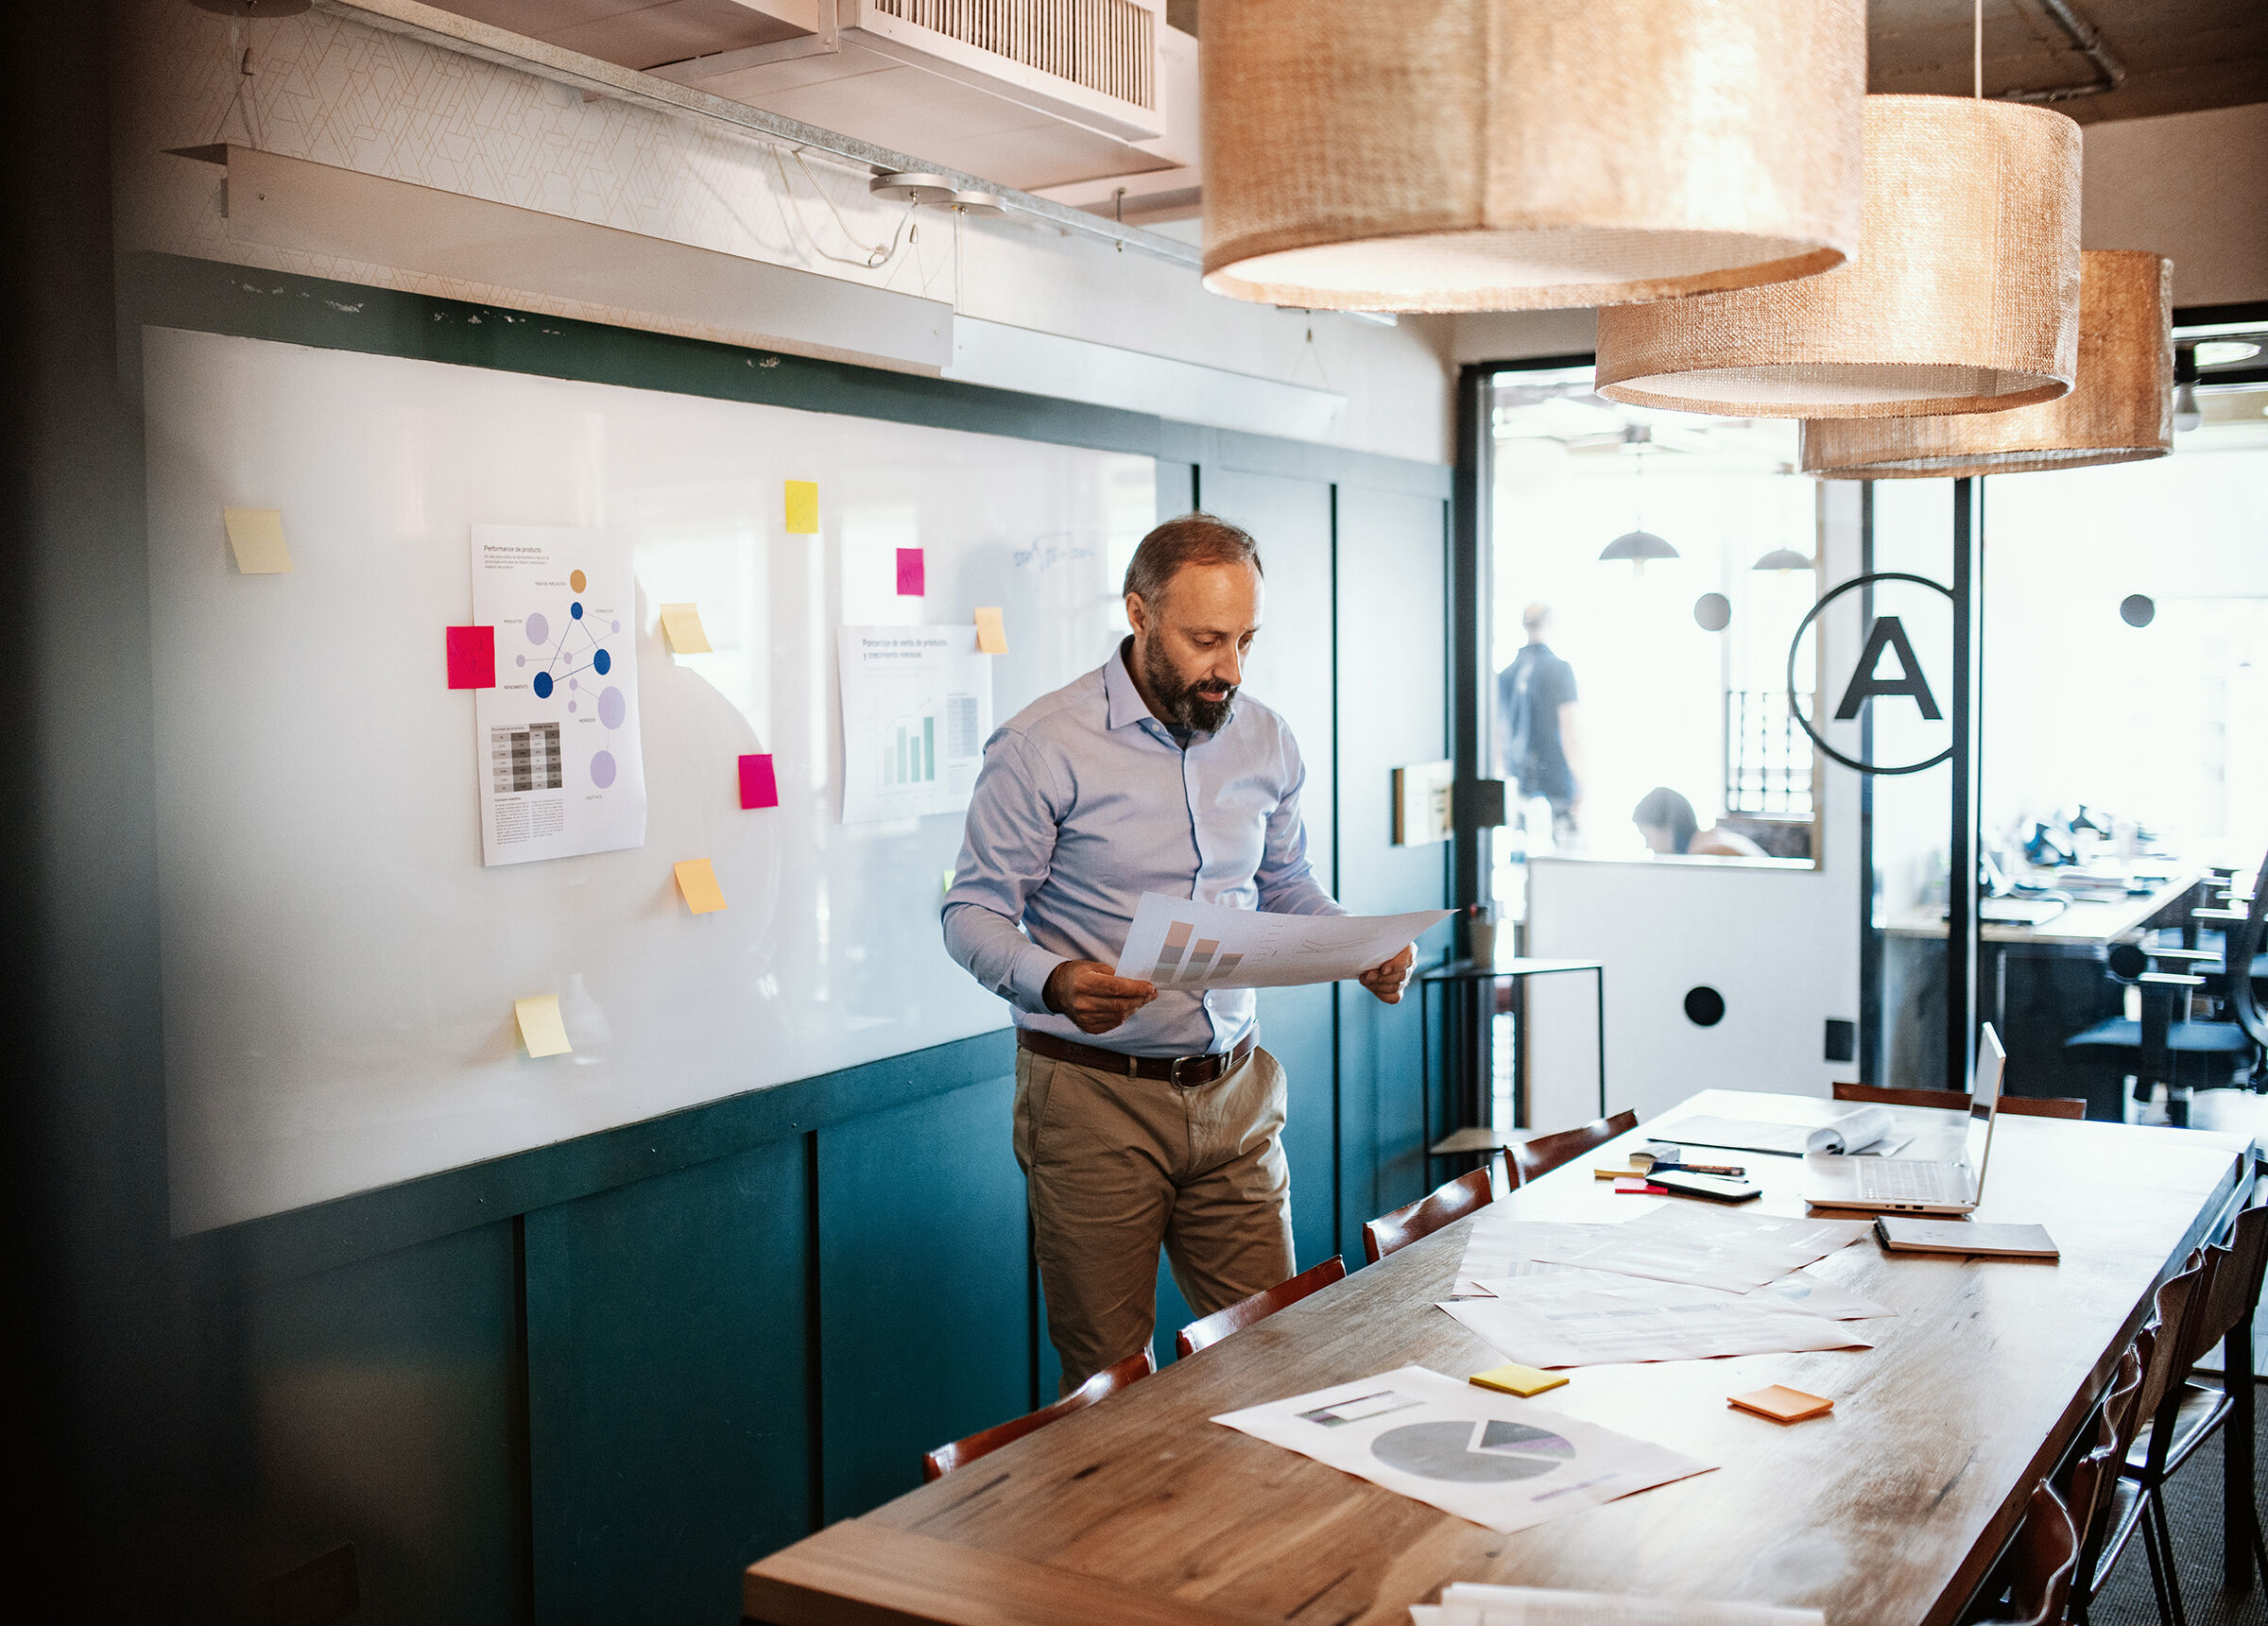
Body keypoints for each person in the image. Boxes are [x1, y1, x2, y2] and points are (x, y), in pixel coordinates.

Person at [942, 513, 1416, 1391]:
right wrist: (1055, 979)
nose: (1230, 668)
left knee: (1273, 1356)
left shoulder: (1266, 739)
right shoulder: (1042, 746)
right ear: (1140, 614)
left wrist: (1359, 946)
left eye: (1245, 640)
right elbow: (971, 910)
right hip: (1093, 1099)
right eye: (1206, 640)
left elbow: (1285, 883)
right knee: (1110, 1382)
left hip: (1236, 1093)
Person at [1496, 604, 1583, 844]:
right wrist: (1582, 783)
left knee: (1521, 855)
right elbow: (1570, 732)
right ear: (1551, 624)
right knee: (1565, 854)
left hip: (1518, 783)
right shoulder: (1560, 670)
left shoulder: (1506, 674)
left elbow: (1499, 735)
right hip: (1556, 785)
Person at [1632, 786, 1767, 859]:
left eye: (1648, 837)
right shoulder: (1712, 839)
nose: (1648, 846)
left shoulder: (1707, 853)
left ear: (1668, 830)